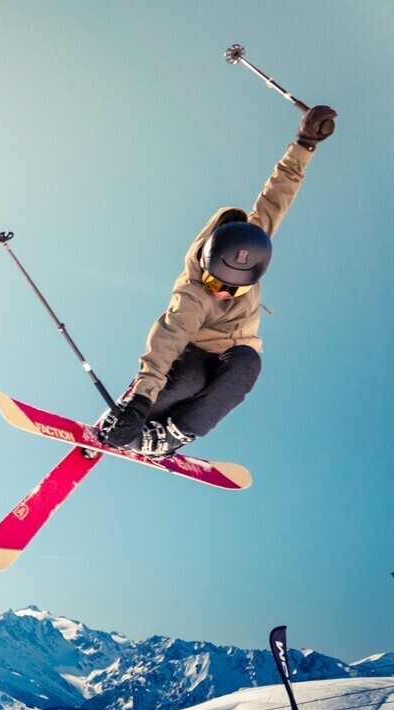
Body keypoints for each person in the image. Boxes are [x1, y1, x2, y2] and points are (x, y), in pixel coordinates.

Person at [99, 104, 337, 458]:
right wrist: (138, 402)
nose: (223, 292)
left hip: (233, 353)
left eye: (234, 289)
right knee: (188, 381)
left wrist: (305, 142)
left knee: (247, 366)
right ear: (208, 263)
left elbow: (278, 194)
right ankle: (134, 417)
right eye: (217, 282)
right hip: (192, 351)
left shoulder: (255, 240)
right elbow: (168, 338)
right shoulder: (194, 292)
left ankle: (172, 435)